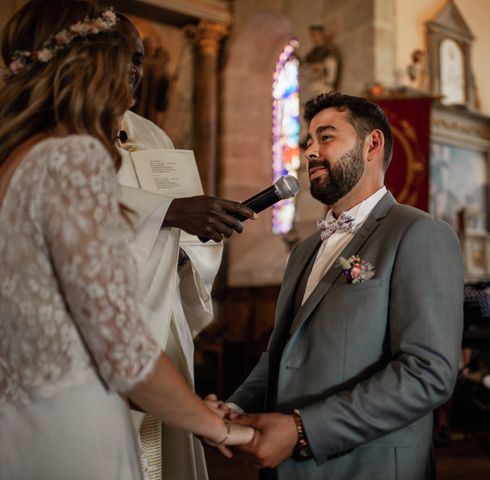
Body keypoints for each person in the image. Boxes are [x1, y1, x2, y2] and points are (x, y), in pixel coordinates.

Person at [0, 2, 253, 479]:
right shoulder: (70, 159)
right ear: (93, 60)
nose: (133, 76)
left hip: (17, 426)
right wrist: (225, 429)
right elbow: (124, 353)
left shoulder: (12, 160)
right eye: (124, 57)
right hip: (72, 434)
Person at [222, 92, 463, 480]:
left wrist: (303, 429)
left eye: (326, 137)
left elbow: (428, 372)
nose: (311, 151)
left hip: (369, 466)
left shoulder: (418, 234)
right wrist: (232, 411)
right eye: (308, 142)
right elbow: (280, 355)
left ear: (372, 144)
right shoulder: (304, 251)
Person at [114, 14, 255, 480]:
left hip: (158, 310)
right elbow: (75, 209)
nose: (136, 71)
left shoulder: (154, 136)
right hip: (106, 311)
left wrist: (194, 238)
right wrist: (169, 213)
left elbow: (184, 238)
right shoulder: (58, 132)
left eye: (141, 60)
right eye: (125, 58)